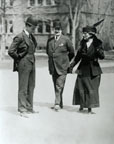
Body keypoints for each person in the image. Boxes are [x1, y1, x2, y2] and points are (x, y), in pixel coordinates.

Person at [70, 21, 105, 114]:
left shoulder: (97, 43)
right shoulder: (82, 44)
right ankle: (82, 105)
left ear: (91, 34)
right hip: (82, 69)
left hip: (93, 69)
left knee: (91, 89)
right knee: (81, 87)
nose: (84, 35)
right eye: (83, 33)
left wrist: (98, 50)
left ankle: (90, 108)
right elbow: (78, 57)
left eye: (85, 33)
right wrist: (72, 65)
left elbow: (102, 57)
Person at [8, 16, 38, 116]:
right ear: (28, 26)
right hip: (24, 63)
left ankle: (29, 107)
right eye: (33, 28)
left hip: (32, 62)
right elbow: (11, 51)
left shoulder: (31, 37)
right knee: (23, 87)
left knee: (31, 86)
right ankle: (22, 109)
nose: (34, 30)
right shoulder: (20, 37)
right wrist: (19, 58)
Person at [46, 20, 75, 111]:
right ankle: (60, 103)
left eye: (58, 29)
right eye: (55, 29)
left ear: (61, 30)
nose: (56, 30)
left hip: (62, 67)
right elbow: (48, 52)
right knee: (56, 85)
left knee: (59, 85)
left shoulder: (66, 40)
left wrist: (65, 61)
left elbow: (72, 52)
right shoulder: (50, 40)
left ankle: (57, 103)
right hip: (53, 67)